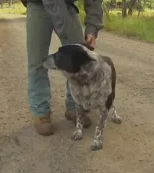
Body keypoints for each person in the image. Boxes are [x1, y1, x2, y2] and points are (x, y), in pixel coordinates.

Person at [21, 0, 103, 136]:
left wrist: (92, 28)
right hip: (38, 5)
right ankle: (40, 112)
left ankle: (75, 106)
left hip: (67, 5)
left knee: (78, 61)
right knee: (38, 62)